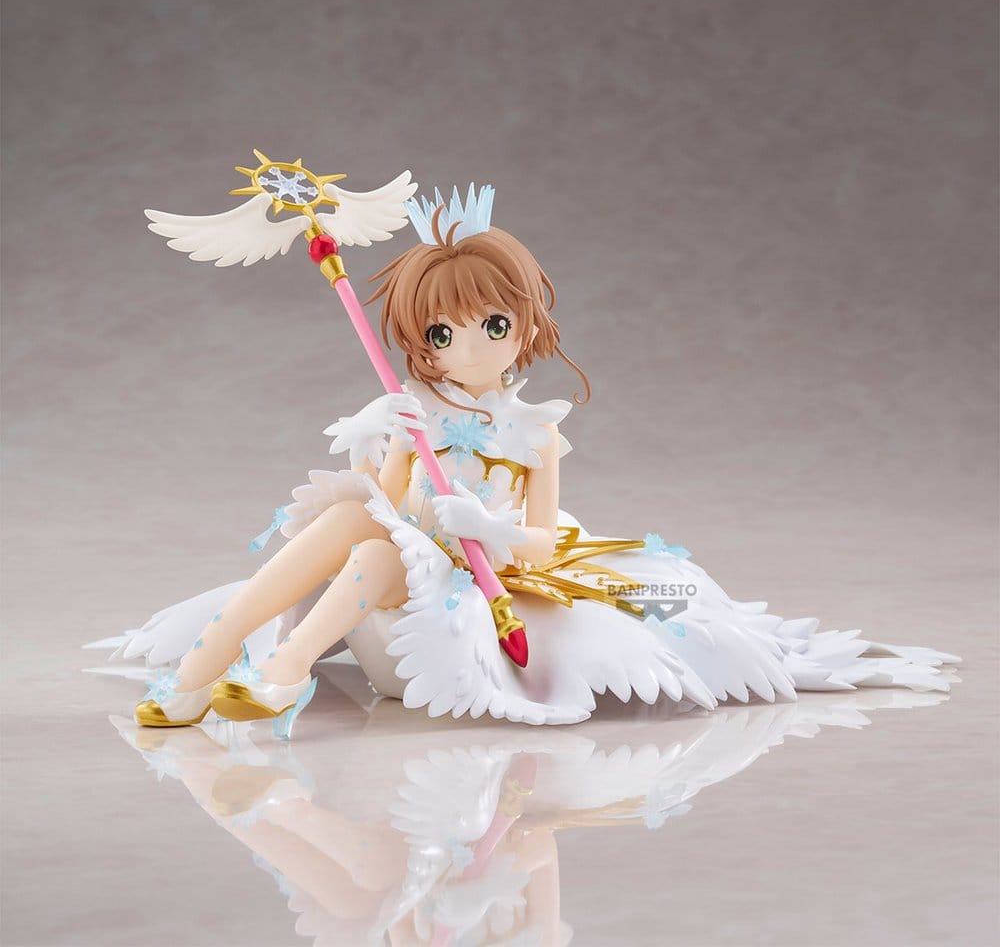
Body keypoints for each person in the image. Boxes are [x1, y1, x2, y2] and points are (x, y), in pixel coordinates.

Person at [103, 184, 960, 735]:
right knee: (355, 521)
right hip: (407, 551)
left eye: (492, 325)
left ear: (524, 326)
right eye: (441, 334)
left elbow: (542, 542)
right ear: (417, 341)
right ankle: (205, 672)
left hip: (482, 573)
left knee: (370, 553)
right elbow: (390, 506)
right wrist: (397, 442)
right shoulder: (416, 409)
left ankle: (281, 671)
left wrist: (486, 525)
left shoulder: (534, 432)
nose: (468, 348)